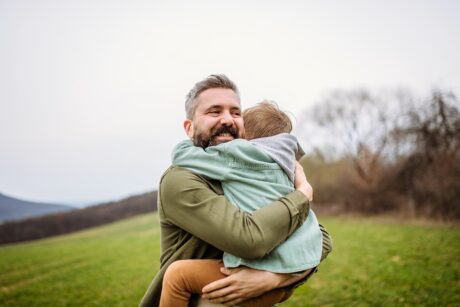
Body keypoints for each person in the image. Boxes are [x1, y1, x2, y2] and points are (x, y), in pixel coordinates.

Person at [139, 75, 332, 307]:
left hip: (241, 297)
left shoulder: (250, 175)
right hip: (196, 299)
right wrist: (303, 193)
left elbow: (321, 238)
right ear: (189, 128)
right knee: (177, 276)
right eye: (214, 111)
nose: (227, 119)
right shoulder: (180, 180)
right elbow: (249, 240)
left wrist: (273, 278)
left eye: (236, 112)